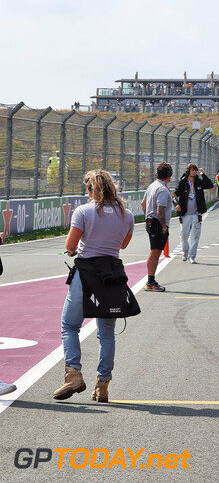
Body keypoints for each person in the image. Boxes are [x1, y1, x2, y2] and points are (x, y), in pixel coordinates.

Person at [55, 170, 135, 403]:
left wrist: (73, 250)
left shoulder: (84, 211)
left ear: (91, 190)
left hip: (87, 273)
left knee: (69, 325)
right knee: (107, 333)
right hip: (112, 274)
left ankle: (73, 374)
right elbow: (123, 244)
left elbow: (71, 245)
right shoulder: (126, 214)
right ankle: (103, 385)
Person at [140, 162, 173, 292]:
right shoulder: (163, 189)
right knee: (155, 252)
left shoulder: (152, 186)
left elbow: (143, 204)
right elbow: (160, 211)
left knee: (155, 251)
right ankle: (150, 281)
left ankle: (151, 280)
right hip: (157, 223)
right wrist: (164, 227)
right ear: (169, 176)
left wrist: (148, 217)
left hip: (150, 220)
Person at [174, 163, 214, 264]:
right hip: (185, 214)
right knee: (184, 235)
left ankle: (192, 256)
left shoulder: (199, 182)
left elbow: (209, 185)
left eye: (195, 170)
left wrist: (203, 175)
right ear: (188, 171)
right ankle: (185, 252)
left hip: (196, 214)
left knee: (195, 236)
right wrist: (176, 204)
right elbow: (175, 195)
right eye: (192, 170)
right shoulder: (183, 182)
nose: (194, 172)